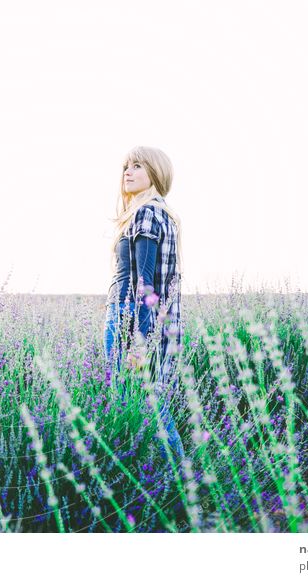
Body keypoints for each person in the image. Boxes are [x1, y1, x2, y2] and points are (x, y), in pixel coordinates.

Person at [103, 145, 185, 460]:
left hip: (132, 321)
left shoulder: (146, 213)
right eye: (126, 166)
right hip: (150, 322)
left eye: (137, 166)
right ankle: (176, 479)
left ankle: (178, 479)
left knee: (132, 403)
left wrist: (137, 342)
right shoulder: (158, 213)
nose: (128, 172)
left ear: (155, 173)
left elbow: (145, 286)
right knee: (150, 404)